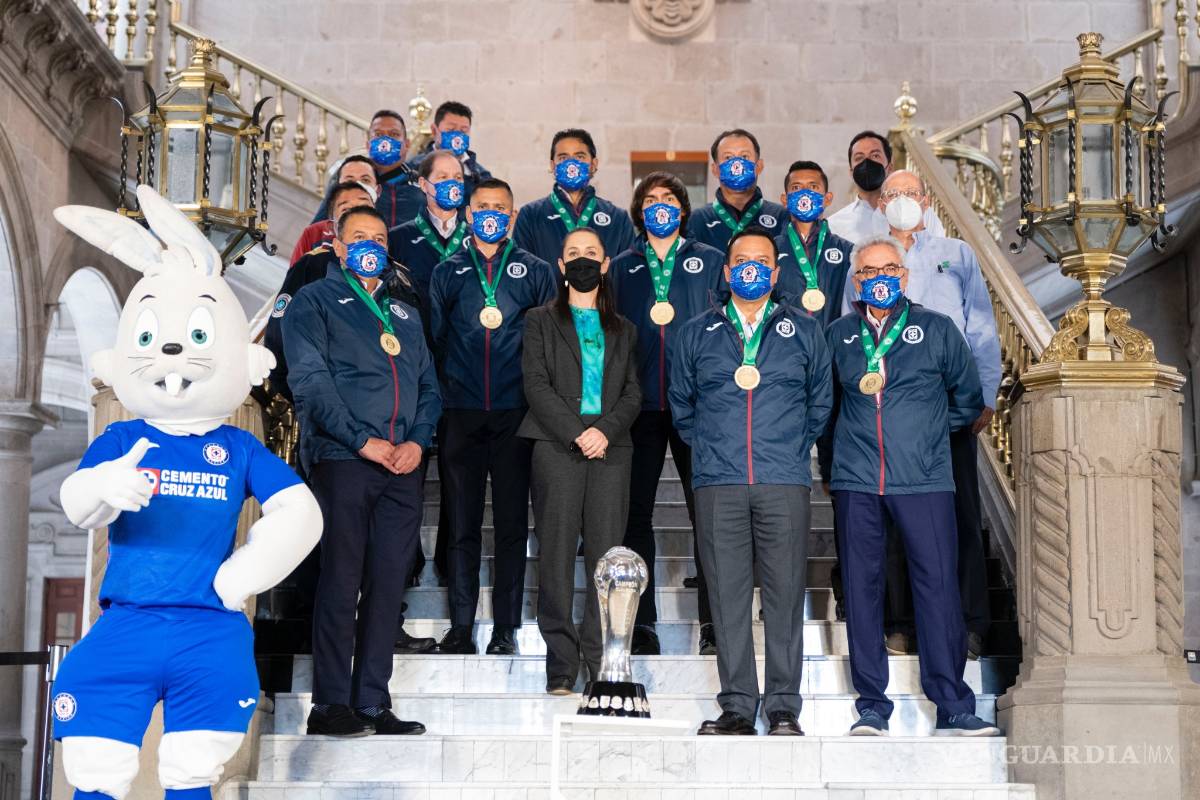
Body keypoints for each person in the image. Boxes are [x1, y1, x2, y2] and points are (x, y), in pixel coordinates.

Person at [826, 234, 999, 737]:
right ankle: (872, 706)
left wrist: (922, 435)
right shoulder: (837, 335)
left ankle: (952, 704)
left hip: (924, 478)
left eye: (889, 270)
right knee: (862, 589)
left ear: (903, 276)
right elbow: (823, 405)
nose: (879, 278)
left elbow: (967, 399)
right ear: (857, 282)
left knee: (938, 586)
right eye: (869, 272)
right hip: (858, 478)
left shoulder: (937, 328)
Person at [284, 204, 441, 736]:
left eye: (379, 236)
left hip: (403, 467)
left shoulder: (405, 314)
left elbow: (429, 389)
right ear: (340, 246)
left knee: (388, 582)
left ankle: (373, 699)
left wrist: (418, 442)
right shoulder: (315, 300)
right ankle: (330, 703)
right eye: (360, 237)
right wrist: (362, 441)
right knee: (341, 578)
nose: (372, 244)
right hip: (344, 460)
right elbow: (310, 383)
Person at [669, 226, 832, 736]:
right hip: (719, 481)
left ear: (776, 272)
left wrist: (786, 449)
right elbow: (682, 404)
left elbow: (819, 402)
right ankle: (738, 705)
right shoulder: (698, 330)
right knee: (727, 594)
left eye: (762, 260)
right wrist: (717, 451)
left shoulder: (804, 329)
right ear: (727, 270)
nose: (751, 268)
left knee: (785, 595)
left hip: (783, 479)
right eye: (742, 260)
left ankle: (783, 706)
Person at [842, 170, 1000, 659]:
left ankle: (971, 623)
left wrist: (986, 394)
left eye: (910, 193)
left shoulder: (956, 254)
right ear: (879, 203)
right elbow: (851, 330)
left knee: (961, 517)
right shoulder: (869, 261)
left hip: (948, 411)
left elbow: (981, 326)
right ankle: (901, 622)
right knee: (890, 526)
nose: (902, 201)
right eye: (892, 195)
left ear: (926, 200)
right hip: (883, 416)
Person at [430, 178, 556, 655]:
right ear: (467, 212)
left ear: (512, 213)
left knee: (509, 526)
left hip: (516, 414)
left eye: (499, 207)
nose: (490, 214)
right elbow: (436, 340)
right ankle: (461, 627)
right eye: (482, 206)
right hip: (460, 411)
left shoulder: (536, 270)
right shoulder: (448, 271)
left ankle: (506, 630)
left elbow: (548, 342)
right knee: (460, 525)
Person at [520, 227, 642, 694]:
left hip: (611, 451)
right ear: (561, 265)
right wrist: (577, 431)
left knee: (606, 558)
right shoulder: (540, 320)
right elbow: (536, 385)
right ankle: (560, 664)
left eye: (591, 253)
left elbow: (633, 392)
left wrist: (603, 431)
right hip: (556, 447)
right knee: (554, 554)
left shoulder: (625, 329)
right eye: (574, 253)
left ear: (606, 264)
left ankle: (601, 658)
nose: (583, 260)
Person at [610, 171, 725, 656]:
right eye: (650, 200)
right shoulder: (621, 267)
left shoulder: (712, 260)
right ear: (639, 211)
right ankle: (642, 624)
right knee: (634, 516)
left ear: (683, 209)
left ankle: (714, 624)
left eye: (669, 199)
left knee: (710, 516)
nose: (660, 206)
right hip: (638, 406)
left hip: (697, 404)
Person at [513, 128, 635, 264]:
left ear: (593, 164)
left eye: (580, 157)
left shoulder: (618, 218)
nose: (571, 165)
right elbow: (523, 275)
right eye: (563, 158)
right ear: (553, 166)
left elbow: (627, 273)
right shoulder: (530, 215)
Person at [774, 160, 853, 330]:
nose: (804, 194)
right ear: (785, 200)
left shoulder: (847, 251)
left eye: (813, 187)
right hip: (784, 348)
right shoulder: (769, 250)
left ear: (827, 199)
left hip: (832, 347)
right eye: (796, 188)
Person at [826, 130, 944, 244]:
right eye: (859, 158)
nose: (867, 162)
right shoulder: (834, 225)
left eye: (875, 155)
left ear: (890, 167)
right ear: (851, 171)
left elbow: (939, 254)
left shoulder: (921, 213)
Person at [388, 150, 470, 312]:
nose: (452, 184)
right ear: (424, 184)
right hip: (418, 332)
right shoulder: (397, 238)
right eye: (443, 177)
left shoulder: (476, 238)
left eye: (458, 178)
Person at [687, 129, 786, 252]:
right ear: (715, 169)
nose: (737, 165)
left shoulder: (782, 217)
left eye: (744, 156)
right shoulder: (696, 220)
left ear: (759, 166)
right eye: (728, 157)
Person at [293, 155, 378, 265]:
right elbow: (295, 278)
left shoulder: (389, 238)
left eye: (365, 180)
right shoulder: (315, 234)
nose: (357, 185)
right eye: (349, 180)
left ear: (378, 190)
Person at [408, 100, 493, 199]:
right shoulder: (414, 168)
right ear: (434, 130)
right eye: (450, 130)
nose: (457, 136)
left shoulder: (481, 175)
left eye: (463, 130)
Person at [366, 109, 426, 228]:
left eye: (394, 134)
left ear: (407, 144)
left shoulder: (423, 185)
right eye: (378, 134)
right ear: (368, 145)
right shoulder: (351, 180)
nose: (386, 141)